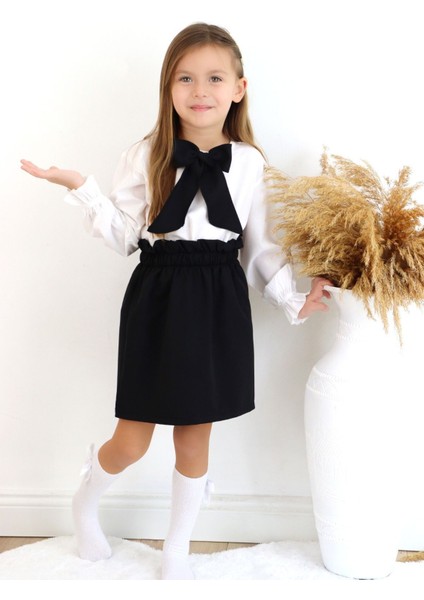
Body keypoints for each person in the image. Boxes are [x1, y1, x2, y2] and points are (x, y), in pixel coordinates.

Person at [20, 22, 331, 580]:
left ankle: (177, 551)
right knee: (132, 440)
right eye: (185, 78)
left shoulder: (250, 163)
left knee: (194, 438)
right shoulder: (146, 154)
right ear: (167, 87)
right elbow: (125, 237)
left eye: (214, 78)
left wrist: (293, 300)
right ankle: (84, 503)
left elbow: (260, 248)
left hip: (218, 299)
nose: (199, 90)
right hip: (158, 295)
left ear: (238, 88)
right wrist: (82, 188)